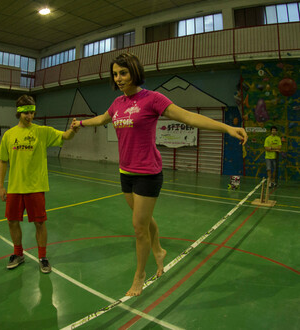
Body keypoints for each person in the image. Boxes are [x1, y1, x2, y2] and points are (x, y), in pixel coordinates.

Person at [72, 53, 248, 296]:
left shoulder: (152, 99)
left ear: (134, 71)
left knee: (138, 226)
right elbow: (102, 118)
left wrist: (226, 127)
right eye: (115, 74)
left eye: (123, 73)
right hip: (125, 172)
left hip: (148, 172)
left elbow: (188, 117)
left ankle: (140, 276)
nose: (119, 78)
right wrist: (80, 124)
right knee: (142, 219)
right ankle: (159, 250)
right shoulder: (117, 104)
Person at [0, 95, 78, 273]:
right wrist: (1, 186)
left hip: (36, 187)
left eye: (32, 112)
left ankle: (43, 257)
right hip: (15, 188)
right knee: (12, 221)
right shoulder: (9, 135)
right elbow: (3, 161)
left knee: (40, 223)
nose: (30, 116)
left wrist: (73, 129)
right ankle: (18, 254)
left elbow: (65, 136)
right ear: (19, 113)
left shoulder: (42, 132)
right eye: (26, 113)